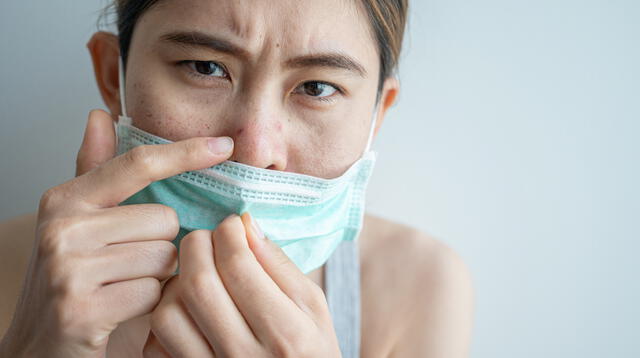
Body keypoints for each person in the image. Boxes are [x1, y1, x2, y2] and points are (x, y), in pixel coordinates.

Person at [0, 0, 474, 357]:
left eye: (318, 88)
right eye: (205, 67)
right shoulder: (9, 264)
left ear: (377, 115)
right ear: (112, 76)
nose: (256, 151)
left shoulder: (419, 285)